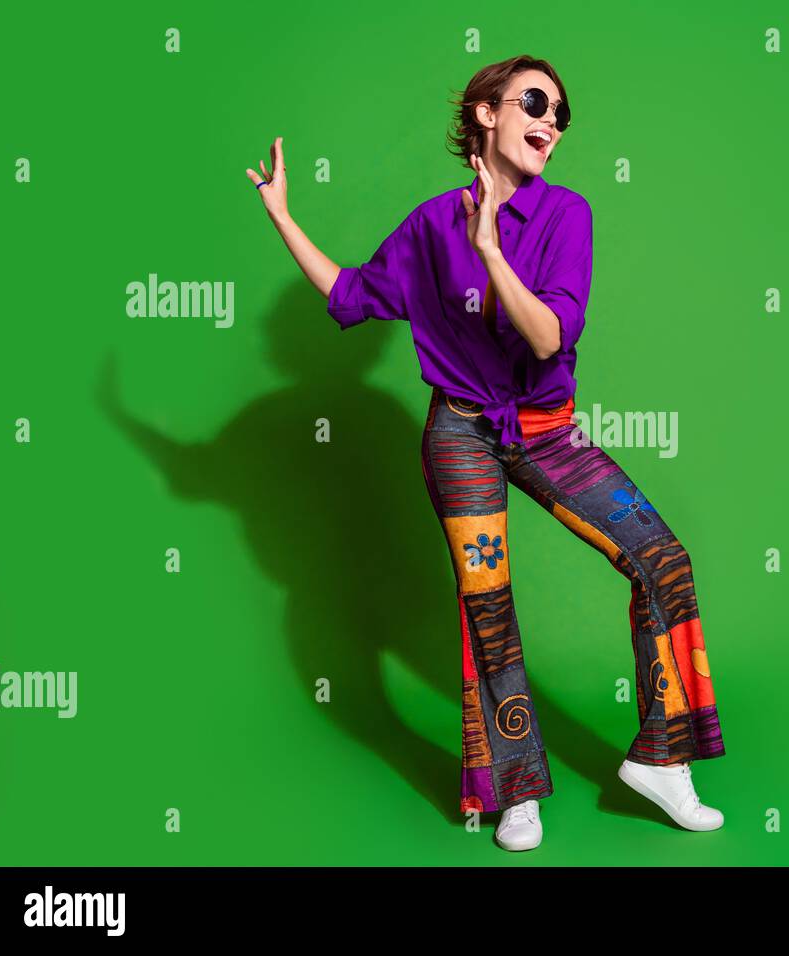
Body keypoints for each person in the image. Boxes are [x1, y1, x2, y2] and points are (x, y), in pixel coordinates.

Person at [245, 54, 725, 851]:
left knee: (662, 558)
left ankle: (663, 759)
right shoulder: (432, 225)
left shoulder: (569, 216)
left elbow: (548, 337)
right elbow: (349, 294)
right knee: (488, 605)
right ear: (485, 114)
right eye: (535, 102)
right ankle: (516, 789)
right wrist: (283, 215)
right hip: (460, 434)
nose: (551, 122)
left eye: (562, 114)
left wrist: (494, 248)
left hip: (547, 427)